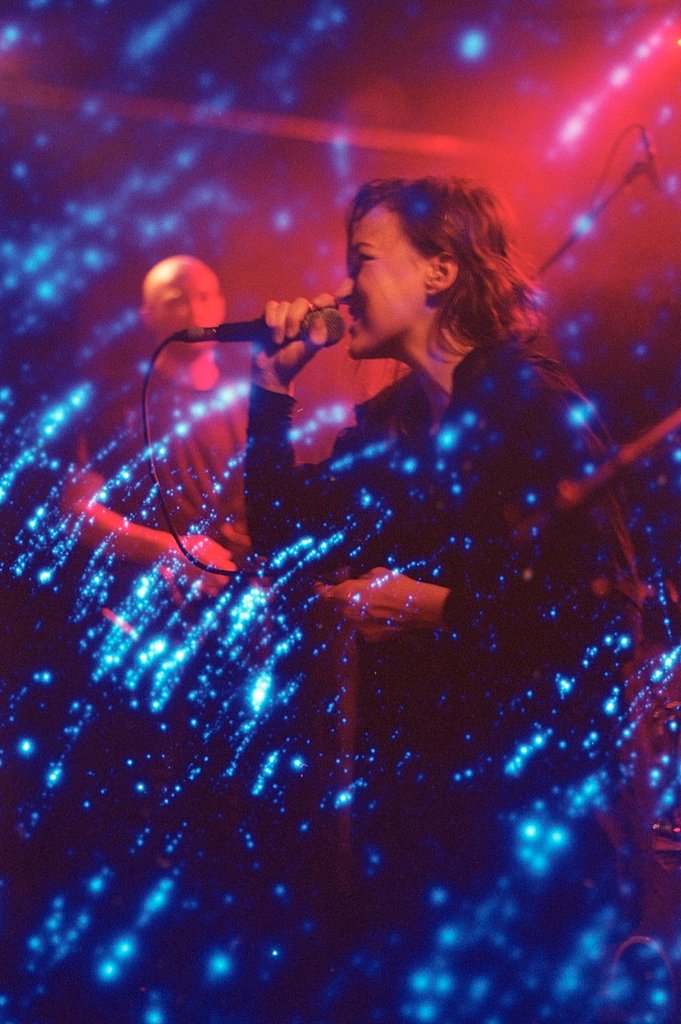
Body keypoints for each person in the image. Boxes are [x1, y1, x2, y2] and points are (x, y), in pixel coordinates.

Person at [244, 178, 644, 1021]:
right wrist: (269, 395)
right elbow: (282, 530)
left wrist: (433, 609)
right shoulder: (396, 422)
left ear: (438, 270)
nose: (343, 285)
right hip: (420, 823)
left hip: (529, 827)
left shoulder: (533, 405)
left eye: (362, 258)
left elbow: (607, 614)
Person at [62, 254, 250, 597]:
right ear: (148, 315)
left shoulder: (248, 400)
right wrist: (168, 550)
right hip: (147, 601)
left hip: (235, 598)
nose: (195, 311)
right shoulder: (114, 402)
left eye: (205, 297)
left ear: (221, 305)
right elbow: (77, 511)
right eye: (177, 301)